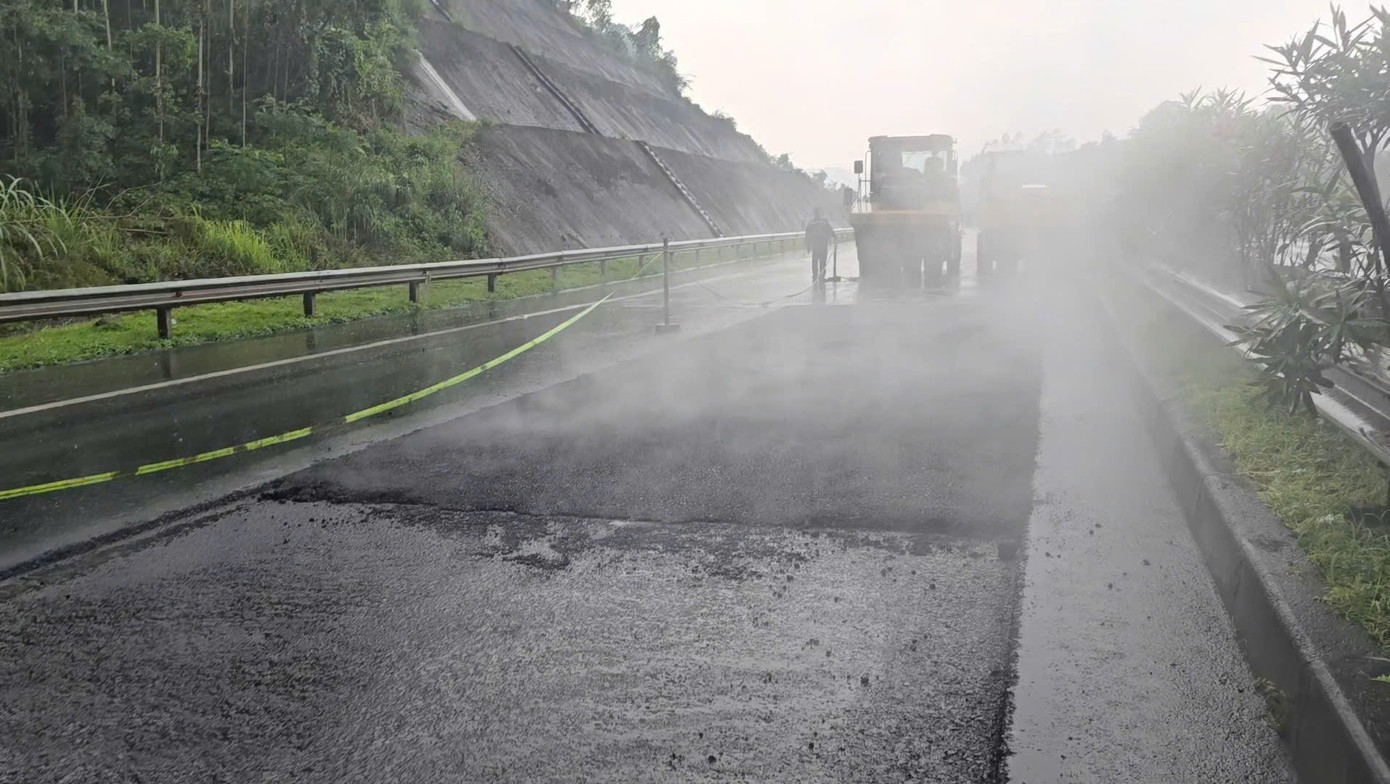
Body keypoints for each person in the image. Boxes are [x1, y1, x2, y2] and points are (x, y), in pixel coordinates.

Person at [805, 208, 837, 286]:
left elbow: (807, 235)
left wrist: (808, 246)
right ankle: (822, 277)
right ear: (820, 213)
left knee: (814, 262)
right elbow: (830, 230)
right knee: (823, 262)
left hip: (815, 246)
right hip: (823, 245)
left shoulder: (811, 223)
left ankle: (815, 276)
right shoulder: (824, 222)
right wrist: (835, 237)